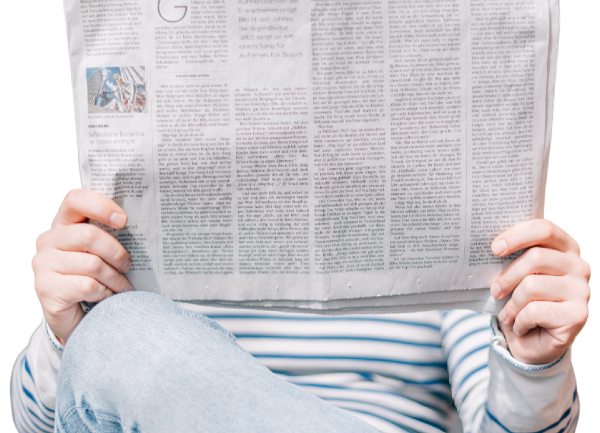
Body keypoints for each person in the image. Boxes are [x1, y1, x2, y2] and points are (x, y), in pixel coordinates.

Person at [10, 189, 590, 432]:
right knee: (122, 333)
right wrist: (71, 329)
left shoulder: (448, 238)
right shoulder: (133, 244)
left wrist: (532, 362)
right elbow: (45, 425)